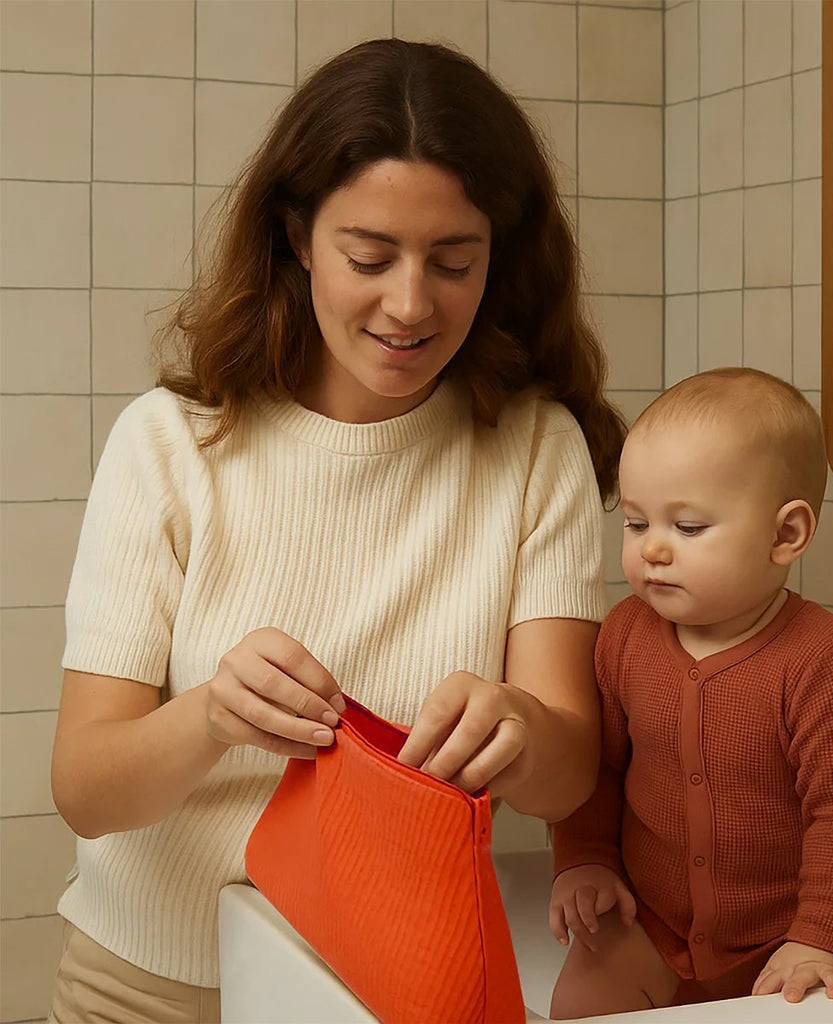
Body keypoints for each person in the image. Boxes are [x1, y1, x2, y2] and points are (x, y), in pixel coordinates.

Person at [47, 38, 626, 1024]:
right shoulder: (170, 443)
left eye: (454, 262)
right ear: (297, 237)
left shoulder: (535, 448)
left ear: (502, 253)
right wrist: (210, 718)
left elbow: (569, 774)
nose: (411, 304)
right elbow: (85, 787)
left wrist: (521, 729)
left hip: (394, 992)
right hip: (150, 993)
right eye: (369, 257)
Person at [547, 367, 833, 1017]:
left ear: (785, 535)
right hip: (644, 921)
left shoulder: (820, 657)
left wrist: (820, 935)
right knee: (579, 1005)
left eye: (689, 528)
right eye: (638, 524)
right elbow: (598, 767)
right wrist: (583, 861)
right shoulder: (623, 635)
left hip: (773, 944)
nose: (654, 551)